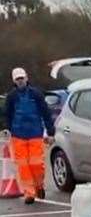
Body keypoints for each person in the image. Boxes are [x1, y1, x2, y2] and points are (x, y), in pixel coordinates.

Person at [4, 68, 55, 204]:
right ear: (14, 81)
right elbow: (7, 115)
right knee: (23, 166)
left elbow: (46, 113)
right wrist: (8, 129)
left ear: (26, 78)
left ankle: (39, 186)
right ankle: (29, 193)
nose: (20, 81)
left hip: (35, 134)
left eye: (22, 78)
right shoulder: (12, 97)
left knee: (37, 164)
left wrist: (50, 132)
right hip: (18, 135)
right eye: (17, 79)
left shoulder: (36, 94)